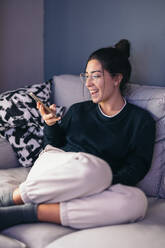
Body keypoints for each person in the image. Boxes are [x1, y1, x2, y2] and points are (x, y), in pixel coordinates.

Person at [0, 39, 156, 230]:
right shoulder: (78, 111)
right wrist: (51, 125)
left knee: (137, 201)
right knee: (91, 168)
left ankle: (27, 213)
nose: (88, 83)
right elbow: (51, 147)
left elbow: (136, 168)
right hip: (60, 171)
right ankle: (10, 198)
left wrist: (100, 184)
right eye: (86, 76)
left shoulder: (141, 121)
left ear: (117, 79)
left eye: (96, 76)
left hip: (98, 182)